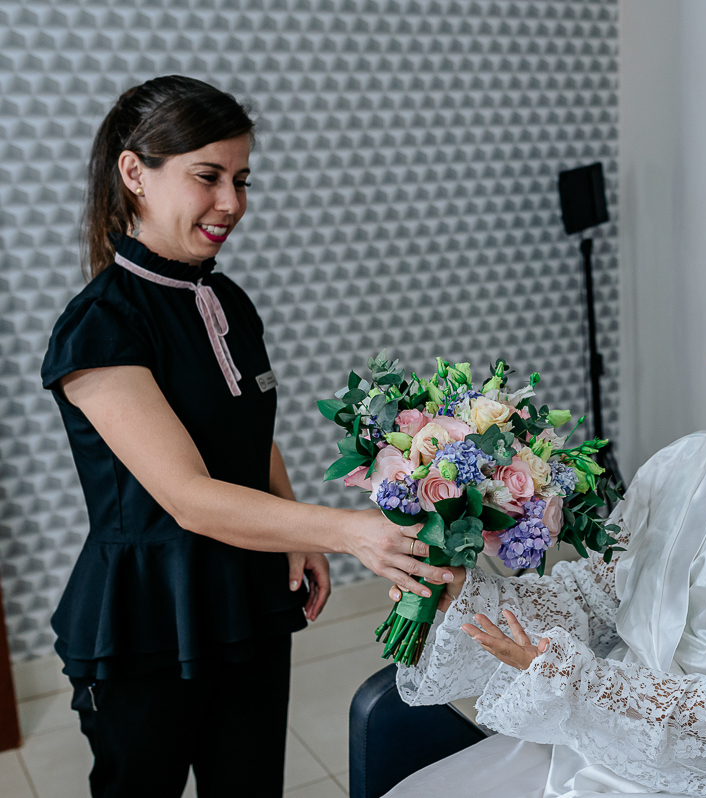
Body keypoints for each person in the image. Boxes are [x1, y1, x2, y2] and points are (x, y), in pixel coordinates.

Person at [379, 235, 706, 797]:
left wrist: (583, 686)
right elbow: (597, 594)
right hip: (605, 741)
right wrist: (467, 596)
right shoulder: (688, 460)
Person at [41, 76, 452, 798]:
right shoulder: (100, 326)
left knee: (251, 783)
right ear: (134, 173)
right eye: (208, 177)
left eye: (241, 179)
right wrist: (345, 532)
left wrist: (290, 530)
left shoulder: (226, 299)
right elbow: (189, 498)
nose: (231, 203)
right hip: (149, 613)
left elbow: (247, 431)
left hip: (246, 589)